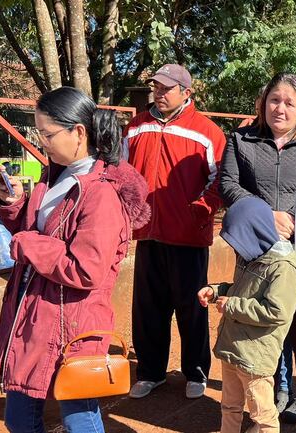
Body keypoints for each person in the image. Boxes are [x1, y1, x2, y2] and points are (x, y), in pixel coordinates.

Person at [0, 87, 149, 433]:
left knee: (79, 417)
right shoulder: (56, 175)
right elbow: (40, 230)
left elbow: (86, 269)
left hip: (73, 324)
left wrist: (29, 244)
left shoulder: (101, 192)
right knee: (19, 418)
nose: (41, 142)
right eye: (39, 133)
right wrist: (14, 205)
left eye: (48, 134)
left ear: (79, 132)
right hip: (35, 314)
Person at [219, 72, 296, 433]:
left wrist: (292, 219)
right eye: (274, 100)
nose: (280, 108)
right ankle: (267, 408)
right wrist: (265, 215)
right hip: (254, 255)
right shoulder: (241, 139)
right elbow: (228, 184)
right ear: (263, 103)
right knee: (260, 333)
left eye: (289, 102)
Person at [123, 64, 227, 399]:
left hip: (188, 236)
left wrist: (201, 207)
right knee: (148, 308)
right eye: (156, 87)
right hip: (147, 233)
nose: (159, 93)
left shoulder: (207, 132)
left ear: (186, 92)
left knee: (191, 307)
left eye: (167, 88)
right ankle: (150, 372)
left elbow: (220, 179)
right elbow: (122, 172)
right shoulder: (136, 127)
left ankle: (196, 372)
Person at [197, 196, 296, 433]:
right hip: (233, 348)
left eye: (239, 240)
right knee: (230, 406)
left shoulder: (284, 268)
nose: (235, 248)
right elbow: (241, 290)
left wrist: (232, 306)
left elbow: (277, 311)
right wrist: (216, 292)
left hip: (256, 357)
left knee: (263, 416)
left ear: (255, 232)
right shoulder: (251, 257)